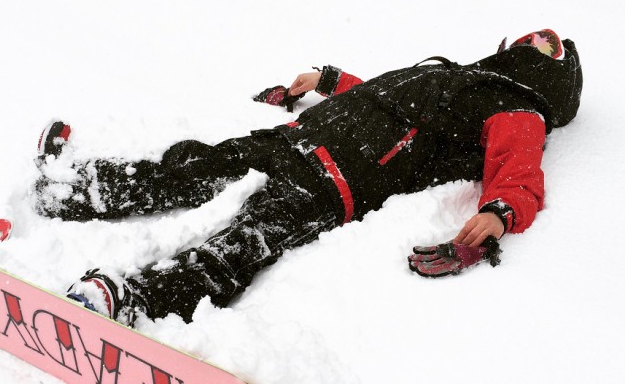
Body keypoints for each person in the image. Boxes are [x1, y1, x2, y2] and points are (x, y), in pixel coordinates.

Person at [33, 30, 582, 326]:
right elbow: (383, 99)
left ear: (550, 75)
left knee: (246, 241)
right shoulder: (458, 78)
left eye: (540, 45)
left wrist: (499, 213)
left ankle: (136, 302)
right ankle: (74, 189)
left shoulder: (518, 108)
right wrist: (330, 81)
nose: (525, 44)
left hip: (336, 180)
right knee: (194, 165)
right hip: (299, 139)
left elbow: (519, 174)